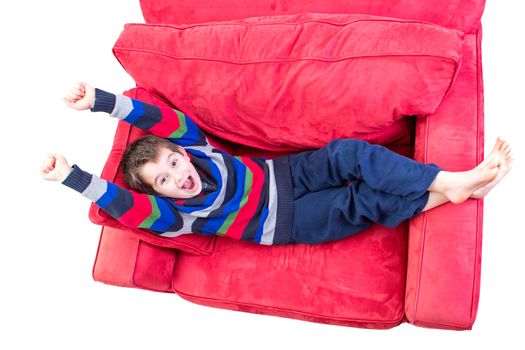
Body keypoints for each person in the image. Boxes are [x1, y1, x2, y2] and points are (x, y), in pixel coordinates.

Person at [40, 83, 513, 245]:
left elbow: (156, 116)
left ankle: (450, 182)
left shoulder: (196, 148)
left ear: (180, 151)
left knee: (349, 153)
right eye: (163, 181)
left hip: (283, 174)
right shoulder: (177, 216)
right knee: (358, 201)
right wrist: (73, 178)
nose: (177, 177)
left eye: (171, 163)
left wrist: (100, 102)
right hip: (283, 220)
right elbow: (127, 206)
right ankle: (450, 191)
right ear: (160, 195)